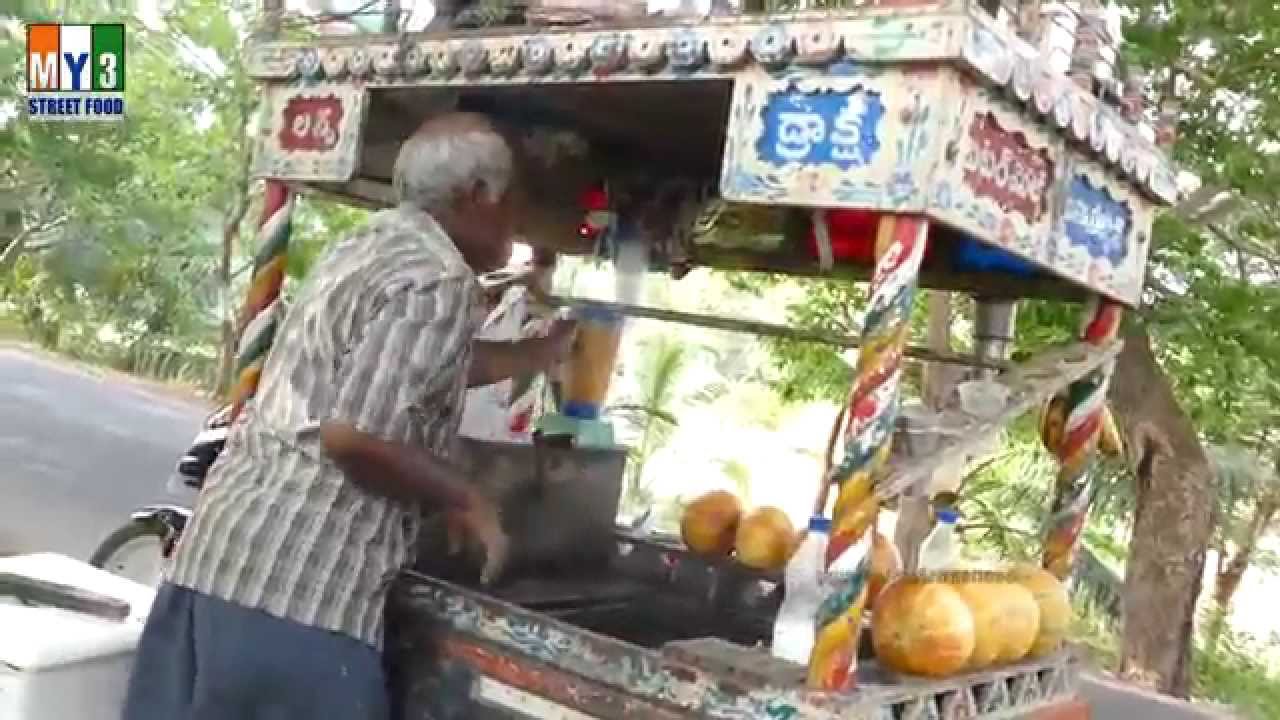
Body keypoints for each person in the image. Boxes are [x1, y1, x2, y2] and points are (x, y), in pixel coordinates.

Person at [122, 112, 575, 720]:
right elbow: (354, 435)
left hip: (218, 558)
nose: (517, 219)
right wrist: (466, 498)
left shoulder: (373, 243)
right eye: (513, 198)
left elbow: (416, 365)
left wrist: (535, 354)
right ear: (480, 195)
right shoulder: (440, 279)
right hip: (302, 588)